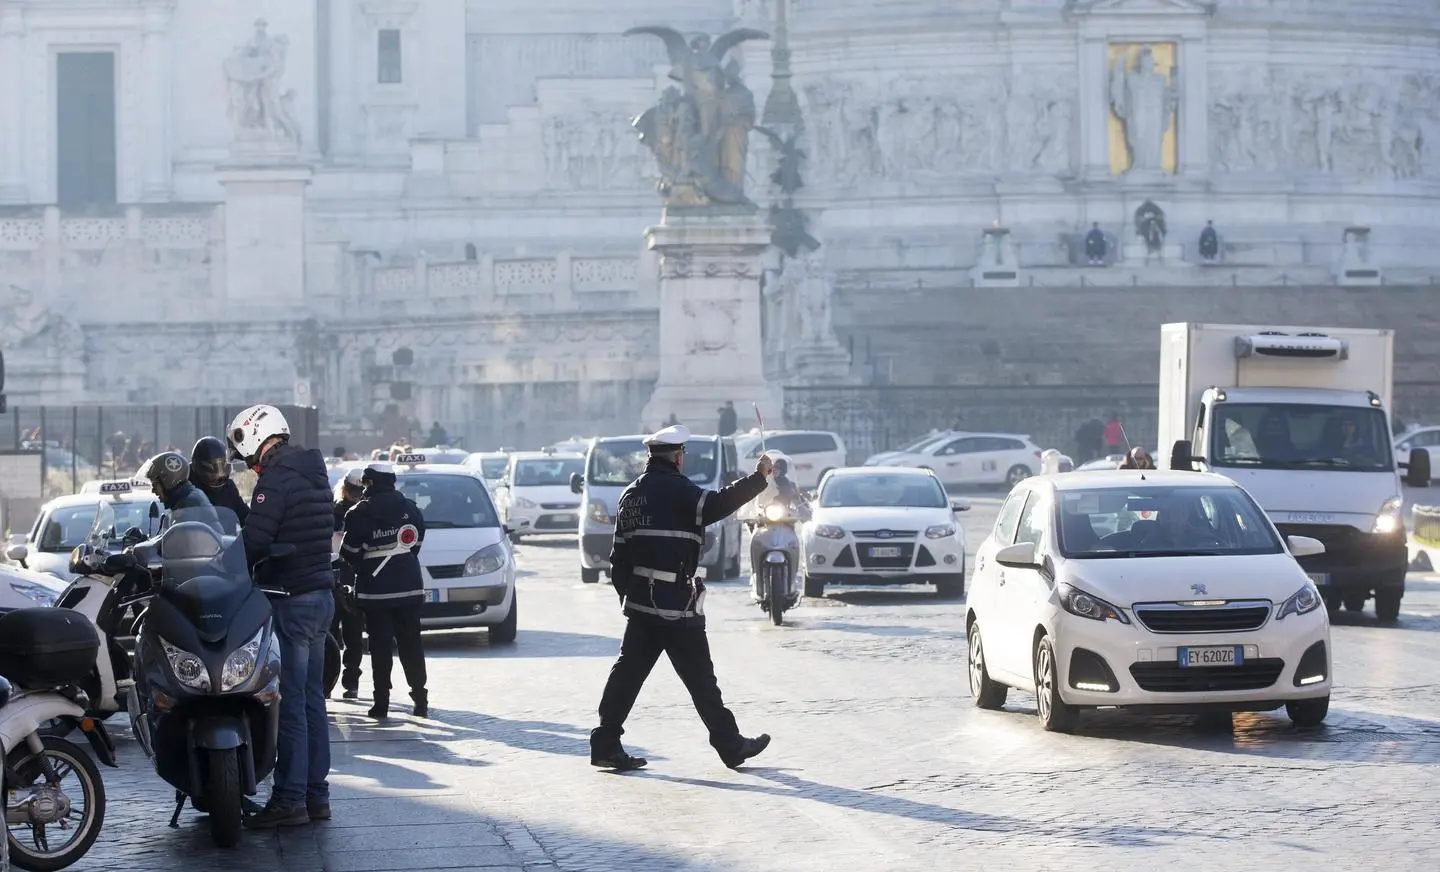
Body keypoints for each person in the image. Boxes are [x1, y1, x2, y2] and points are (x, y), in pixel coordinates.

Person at [591, 423, 774, 772]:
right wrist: (759, 478)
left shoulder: (630, 495)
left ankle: (605, 743)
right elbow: (719, 504)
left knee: (626, 676)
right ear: (677, 457)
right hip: (676, 606)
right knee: (702, 680)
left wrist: (629, 600)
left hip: (642, 605)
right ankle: (730, 745)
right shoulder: (680, 490)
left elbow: (618, 558)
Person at [228, 404, 337, 829]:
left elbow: (255, 540)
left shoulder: (276, 479)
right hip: (320, 596)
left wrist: (225, 560)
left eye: (246, 449)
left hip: (291, 598)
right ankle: (316, 794)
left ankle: (290, 798)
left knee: (289, 703)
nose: (248, 462)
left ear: (258, 436)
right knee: (312, 702)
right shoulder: (314, 471)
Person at [339, 462, 428, 720]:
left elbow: (349, 553)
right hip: (410, 587)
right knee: (412, 643)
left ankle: (382, 703)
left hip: (375, 592)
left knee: (380, 647)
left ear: (369, 484)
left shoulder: (357, 514)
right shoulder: (410, 509)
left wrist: (367, 565)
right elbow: (416, 543)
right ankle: (420, 698)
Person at [331, 468, 367, 700]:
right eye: (352, 490)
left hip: (353, 576)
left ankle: (351, 681)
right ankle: (329, 679)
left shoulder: (366, 512)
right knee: (331, 635)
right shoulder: (333, 512)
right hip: (333, 576)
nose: (355, 495)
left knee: (353, 635)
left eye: (359, 491)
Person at [190, 436, 250, 532]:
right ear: (199, 468)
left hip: (228, 544)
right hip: (196, 544)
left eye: (223, 469)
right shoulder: (187, 487)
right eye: (212, 474)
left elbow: (246, 517)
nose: (219, 477)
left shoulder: (228, 487)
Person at [139, 451, 217, 515]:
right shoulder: (181, 500)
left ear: (167, 481)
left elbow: (179, 533)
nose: (153, 490)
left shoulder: (188, 504)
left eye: (155, 485)